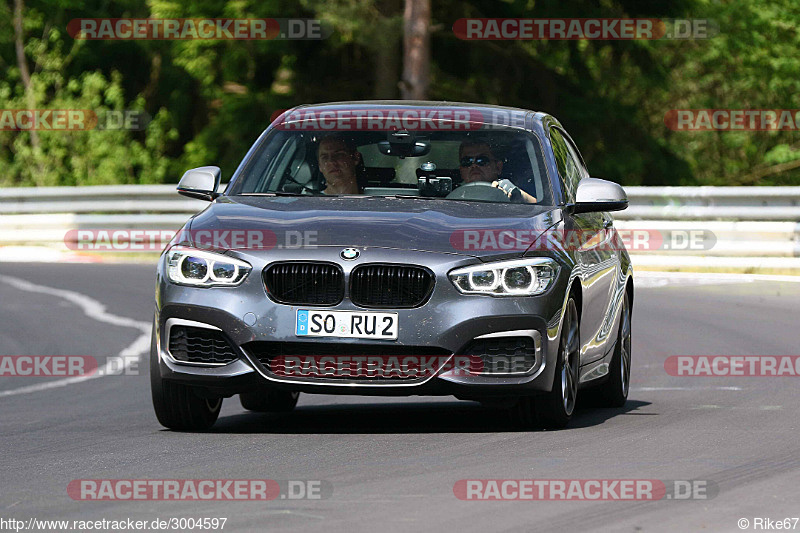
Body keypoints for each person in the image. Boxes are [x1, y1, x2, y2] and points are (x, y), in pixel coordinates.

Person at [459, 141, 537, 203]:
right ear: (461, 170)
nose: (474, 165)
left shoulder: (508, 192)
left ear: (498, 167)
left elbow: (540, 211)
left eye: (482, 160)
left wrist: (519, 195)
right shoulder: (449, 197)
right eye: (467, 162)